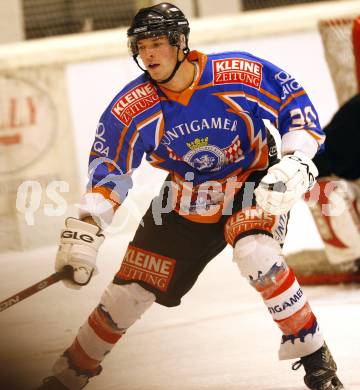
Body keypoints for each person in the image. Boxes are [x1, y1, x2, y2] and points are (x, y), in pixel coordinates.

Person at [38, 3, 343, 389]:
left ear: (180, 42)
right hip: (187, 198)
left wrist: (298, 158)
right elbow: (110, 169)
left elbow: (293, 104)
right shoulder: (132, 107)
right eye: (140, 46)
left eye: (156, 44)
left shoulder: (238, 73)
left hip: (252, 181)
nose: (147, 55)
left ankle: (318, 362)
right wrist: (87, 226)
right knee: (128, 293)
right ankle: (66, 377)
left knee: (255, 251)